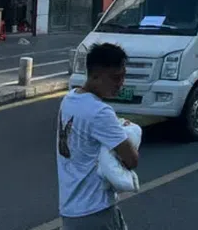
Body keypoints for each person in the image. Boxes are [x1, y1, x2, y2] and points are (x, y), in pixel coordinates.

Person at [57, 43, 140, 230]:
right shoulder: (100, 112)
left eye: (123, 77)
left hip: (70, 210)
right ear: (95, 75)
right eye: (115, 78)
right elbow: (132, 160)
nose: (120, 84)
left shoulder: (69, 100)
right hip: (96, 211)